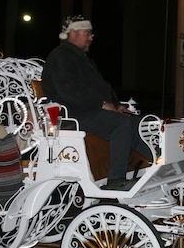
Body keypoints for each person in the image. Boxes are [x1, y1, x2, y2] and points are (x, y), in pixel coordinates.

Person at [41, 15, 152, 190]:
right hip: (74, 114)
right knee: (121, 125)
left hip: (89, 110)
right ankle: (116, 179)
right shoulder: (60, 57)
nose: (91, 38)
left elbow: (102, 87)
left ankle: (156, 162)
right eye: (88, 33)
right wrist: (101, 104)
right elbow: (69, 91)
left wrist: (117, 105)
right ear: (73, 33)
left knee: (138, 123)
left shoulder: (82, 59)